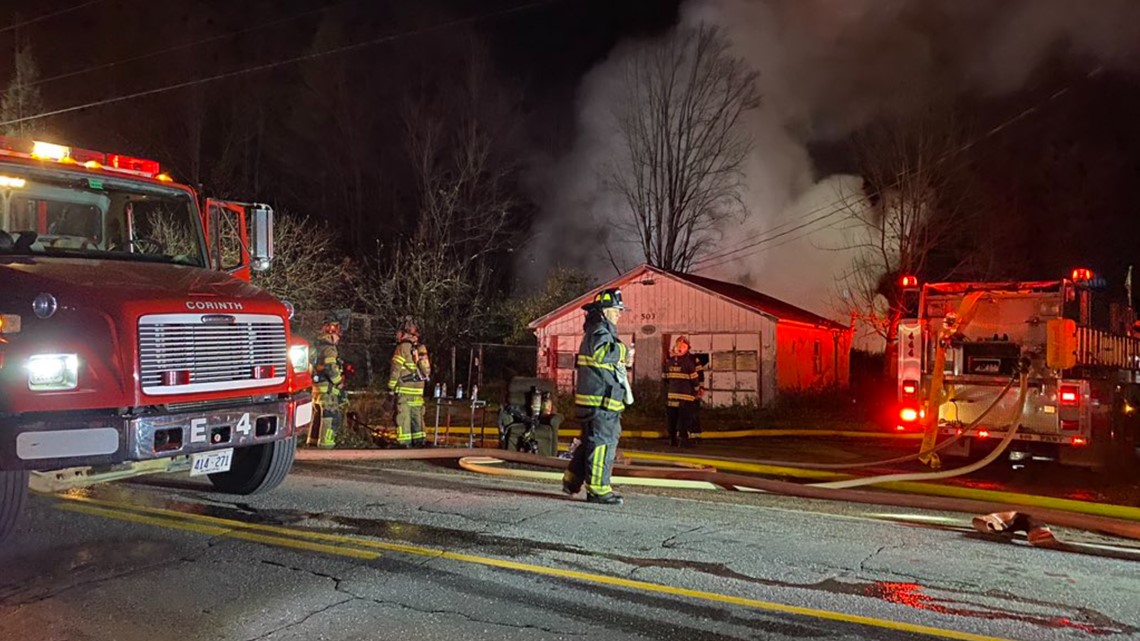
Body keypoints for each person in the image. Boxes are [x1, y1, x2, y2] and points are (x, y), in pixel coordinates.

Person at [562, 288, 633, 505]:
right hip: (601, 403)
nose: (619, 314)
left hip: (595, 403)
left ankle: (572, 481)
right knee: (603, 443)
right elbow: (602, 353)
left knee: (589, 443)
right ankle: (599, 491)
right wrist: (623, 352)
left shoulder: (597, 329)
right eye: (616, 310)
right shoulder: (600, 331)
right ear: (603, 311)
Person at [388, 319, 430, 447]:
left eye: (398, 333)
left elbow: (395, 369)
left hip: (405, 390)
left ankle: (404, 442)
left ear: (403, 333)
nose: (397, 336)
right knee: (417, 415)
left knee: (403, 416)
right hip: (418, 390)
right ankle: (419, 440)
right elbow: (426, 370)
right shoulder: (421, 348)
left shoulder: (402, 348)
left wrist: (391, 387)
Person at [310, 315, 346, 448]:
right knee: (330, 417)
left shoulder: (317, 346)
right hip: (328, 389)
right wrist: (338, 382)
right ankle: (326, 444)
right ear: (333, 334)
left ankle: (313, 441)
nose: (338, 339)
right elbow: (331, 368)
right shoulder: (330, 349)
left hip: (317, 388)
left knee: (318, 416)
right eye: (338, 336)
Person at [663, 335, 703, 447]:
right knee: (684, 419)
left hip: (672, 396)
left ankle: (672, 440)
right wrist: (697, 390)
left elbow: (665, 379)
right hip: (686, 397)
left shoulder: (669, 363)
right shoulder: (689, 363)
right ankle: (683, 440)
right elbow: (695, 380)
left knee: (672, 419)